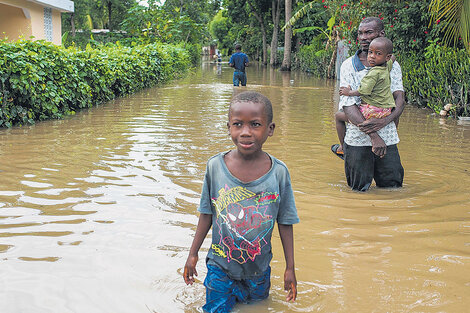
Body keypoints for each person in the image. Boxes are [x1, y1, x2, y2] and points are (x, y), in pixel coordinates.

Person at [183, 91, 299, 312]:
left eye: (255, 124)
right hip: (220, 267)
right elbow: (206, 214)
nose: (246, 132)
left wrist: (290, 268)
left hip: (259, 270)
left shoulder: (279, 173)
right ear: (229, 128)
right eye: (238, 124)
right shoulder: (215, 167)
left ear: (270, 129)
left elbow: (285, 221)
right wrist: (192, 254)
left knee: (257, 307)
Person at [333, 17, 405, 192]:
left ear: (381, 34)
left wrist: (385, 122)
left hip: (387, 138)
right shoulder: (348, 65)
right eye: (360, 33)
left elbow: (400, 99)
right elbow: (348, 106)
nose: (363, 37)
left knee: (393, 188)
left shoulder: (392, 66)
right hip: (358, 140)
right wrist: (374, 136)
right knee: (358, 191)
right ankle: (345, 150)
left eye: (368, 32)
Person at [332, 37, 398, 160]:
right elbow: (393, 59)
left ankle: (342, 148)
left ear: (386, 57)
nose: (372, 56)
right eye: (370, 52)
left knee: (339, 116)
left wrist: (348, 92)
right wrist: (388, 57)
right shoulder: (386, 67)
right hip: (386, 110)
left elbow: (364, 91)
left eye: (377, 54)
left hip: (372, 112)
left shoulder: (373, 73)